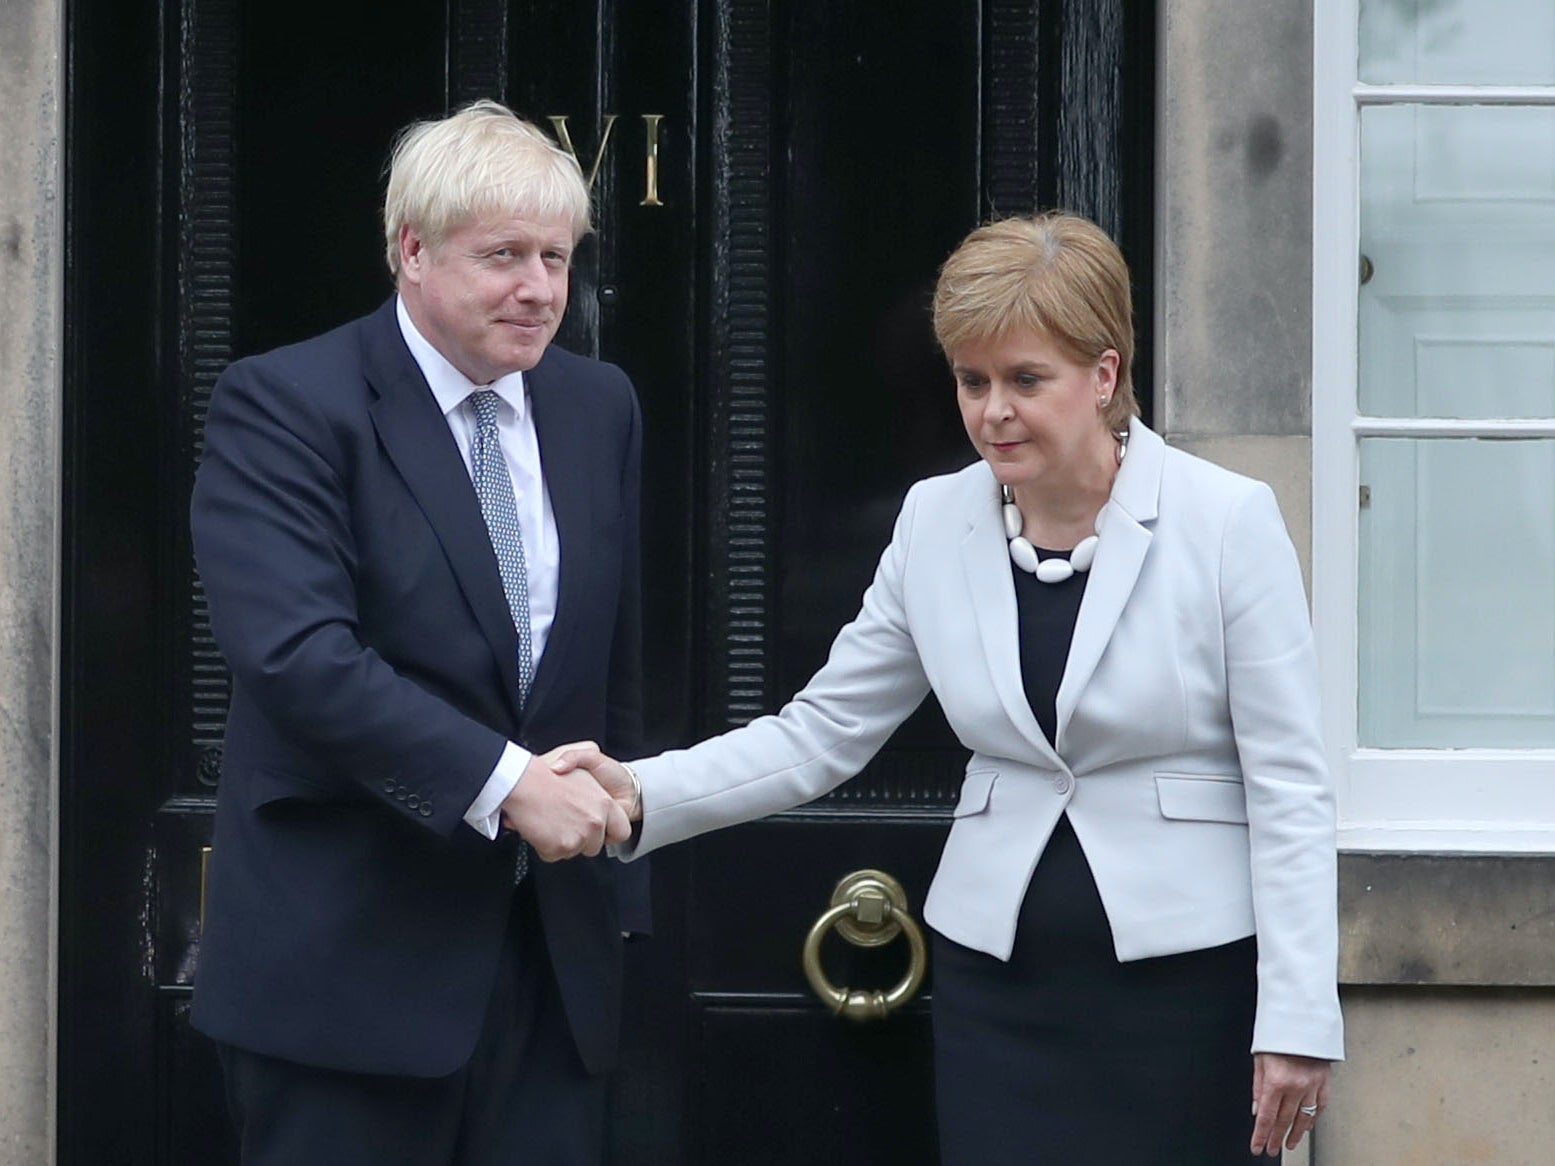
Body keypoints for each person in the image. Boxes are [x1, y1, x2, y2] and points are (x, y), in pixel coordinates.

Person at [559, 212, 1343, 1163]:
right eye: (972, 381)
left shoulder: (1226, 520)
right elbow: (822, 732)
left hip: (1187, 991)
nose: (991, 411)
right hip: (997, 987)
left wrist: (1297, 1016)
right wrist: (640, 792)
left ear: (1103, 376)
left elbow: (1289, 785)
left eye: (1024, 380)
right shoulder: (935, 521)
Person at [189, 100, 646, 1166]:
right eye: (503, 256)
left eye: (555, 255)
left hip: (552, 965)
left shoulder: (597, 405)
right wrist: (507, 783)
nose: (539, 288)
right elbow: (296, 653)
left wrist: (621, 869)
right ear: (411, 250)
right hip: (346, 973)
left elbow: (610, 662)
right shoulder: (287, 402)